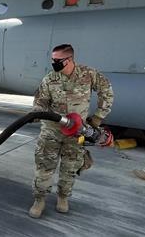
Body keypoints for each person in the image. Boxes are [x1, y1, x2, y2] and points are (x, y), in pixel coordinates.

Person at [29, 44, 114, 218]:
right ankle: (39, 199)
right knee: (44, 167)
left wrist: (98, 117)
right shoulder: (49, 79)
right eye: (52, 60)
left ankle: (63, 197)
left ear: (69, 60)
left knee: (70, 167)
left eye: (57, 60)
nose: (54, 63)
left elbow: (107, 91)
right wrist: (37, 112)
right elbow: (40, 101)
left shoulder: (88, 74)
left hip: (77, 132)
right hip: (51, 131)